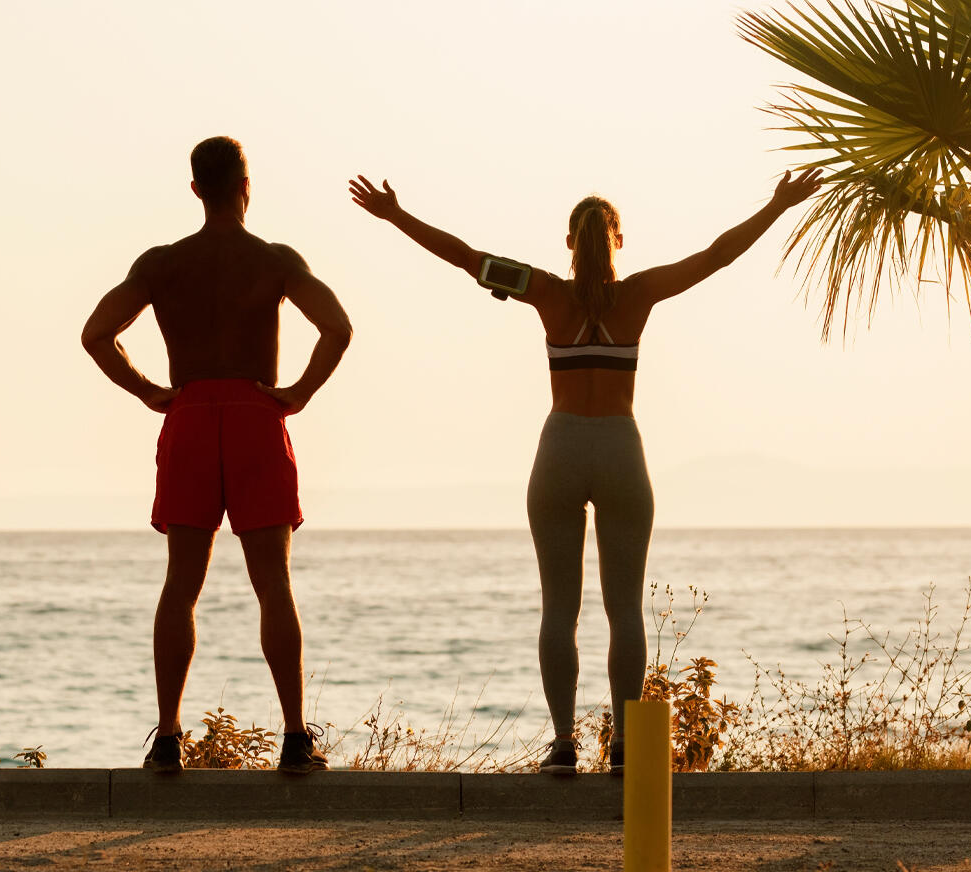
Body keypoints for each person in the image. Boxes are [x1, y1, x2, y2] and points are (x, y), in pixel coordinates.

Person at [347, 169, 822, 776]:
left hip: (561, 449)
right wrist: (777, 204)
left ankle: (564, 744)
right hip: (621, 449)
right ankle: (625, 745)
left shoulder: (543, 291)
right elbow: (718, 256)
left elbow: (465, 257)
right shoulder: (640, 295)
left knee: (558, 610)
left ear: (570, 242)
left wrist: (396, 216)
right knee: (624, 610)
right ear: (617, 240)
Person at [82, 136, 354, 775]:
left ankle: (170, 740)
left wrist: (151, 390)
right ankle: (293, 740)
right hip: (259, 414)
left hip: (192, 414)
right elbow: (338, 327)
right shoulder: (275, 260)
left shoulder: (162, 264)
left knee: (181, 586)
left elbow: (96, 334)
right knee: (273, 586)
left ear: (197, 188)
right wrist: (298, 395)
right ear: (245, 185)